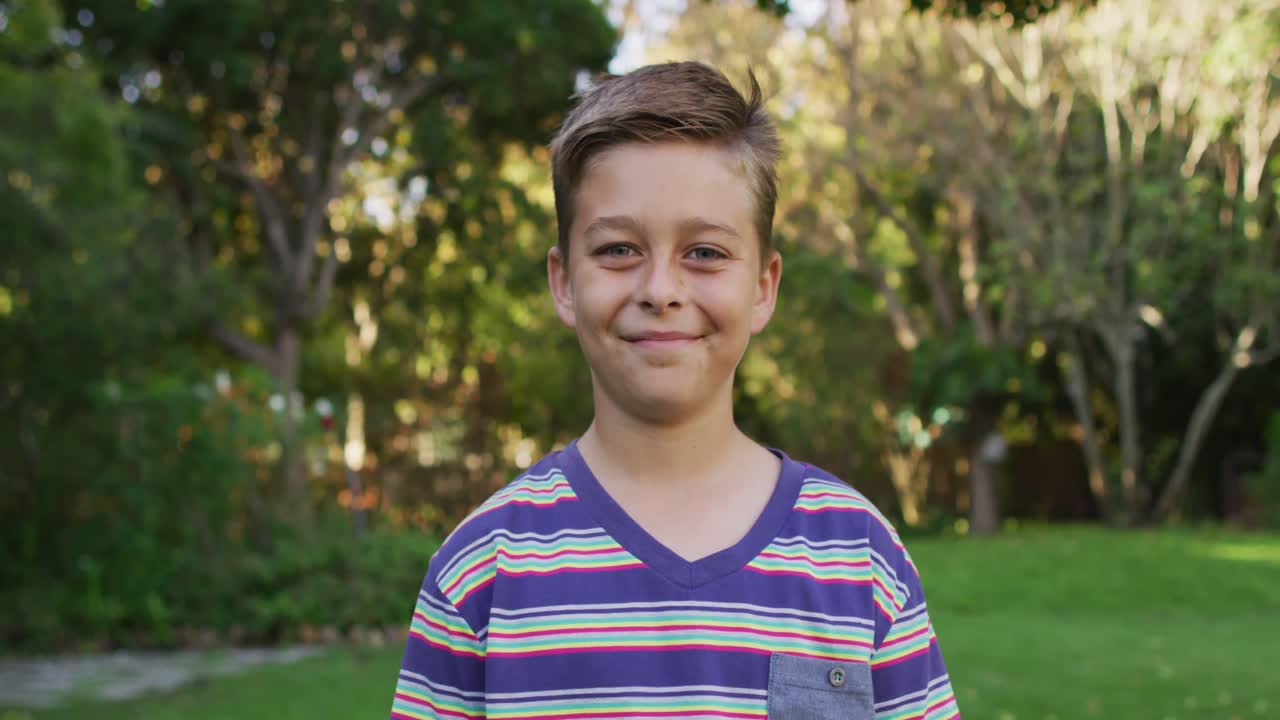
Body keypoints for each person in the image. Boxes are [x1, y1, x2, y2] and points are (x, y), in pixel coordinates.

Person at [389, 61, 959, 720]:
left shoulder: (860, 561)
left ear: (764, 287)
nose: (661, 289)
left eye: (706, 253)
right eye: (618, 250)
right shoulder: (481, 572)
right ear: (564, 282)